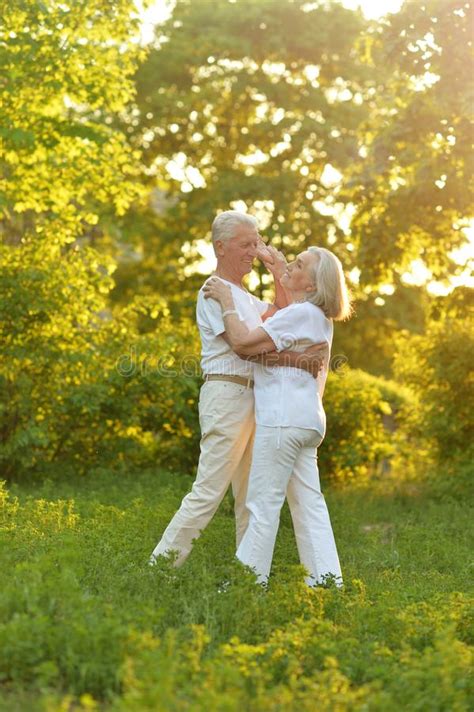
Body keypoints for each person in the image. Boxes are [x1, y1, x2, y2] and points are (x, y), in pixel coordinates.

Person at [150, 211, 327, 567]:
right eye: (246, 244)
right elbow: (241, 345)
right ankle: (161, 567)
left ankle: (248, 577)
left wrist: (275, 267)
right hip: (227, 396)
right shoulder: (214, 290)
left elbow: (282, 311)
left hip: (256, 400)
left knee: (251, 497)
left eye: (256, 242)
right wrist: (296, 358)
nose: (252, 250)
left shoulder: (243, 295)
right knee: (208, 491)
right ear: (221, 247)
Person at [203, 246, 353, 587]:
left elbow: (241, 344)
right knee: (309, 506)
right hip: (306, 421)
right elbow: (272, 344)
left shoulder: (300, 313)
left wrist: (227, 299)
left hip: (283, 420)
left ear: (312, 285)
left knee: (262, 505)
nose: (291, 264)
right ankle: (327, 584)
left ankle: (244, 588)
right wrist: (278, 268)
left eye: (299, 265)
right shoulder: (316, 316)